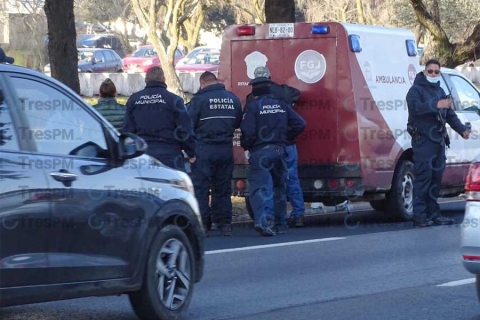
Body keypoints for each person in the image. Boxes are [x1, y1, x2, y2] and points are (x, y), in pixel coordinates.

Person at [406, 59, 470, 227]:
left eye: (436, 72)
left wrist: (462, 130)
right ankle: (419, 216)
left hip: (438, 142)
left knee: (436, 179)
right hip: (423, 142)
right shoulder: (415, 90)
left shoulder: (440, 91)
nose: (433, 74)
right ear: (425, 72)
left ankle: (434, 214)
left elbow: (450, 115)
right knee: (423, 179)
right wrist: (436, 104)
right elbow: (416, 108)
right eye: (430, 71)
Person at [241, 77, 306, 236]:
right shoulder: (282, 105)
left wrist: (247, 145)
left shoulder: (253, 106)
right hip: (280, 151)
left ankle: (263, 222)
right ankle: (281, 224)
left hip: (261, 152)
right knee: (279, 187)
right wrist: (286, 138)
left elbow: (248, 132)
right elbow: (300, 124)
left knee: (259, 188)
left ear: (255, 90)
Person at [188, 71, 243, 236]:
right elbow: (237, 122)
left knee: (202, 189)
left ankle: (203, 225)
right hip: (225, 149)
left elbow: (189, 124)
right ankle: (224, 223)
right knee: (223, 188)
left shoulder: (198, 100)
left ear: (202, 83)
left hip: (204, 149)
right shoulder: (232, 99)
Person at [123, 66, 196, 172]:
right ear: (163, 80)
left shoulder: (134, 100)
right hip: (170, 154)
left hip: (143, 154)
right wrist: (191, 152)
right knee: (173, 187)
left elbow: (128, 131)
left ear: (146, 80)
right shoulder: (174, 100)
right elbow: (185, 129)